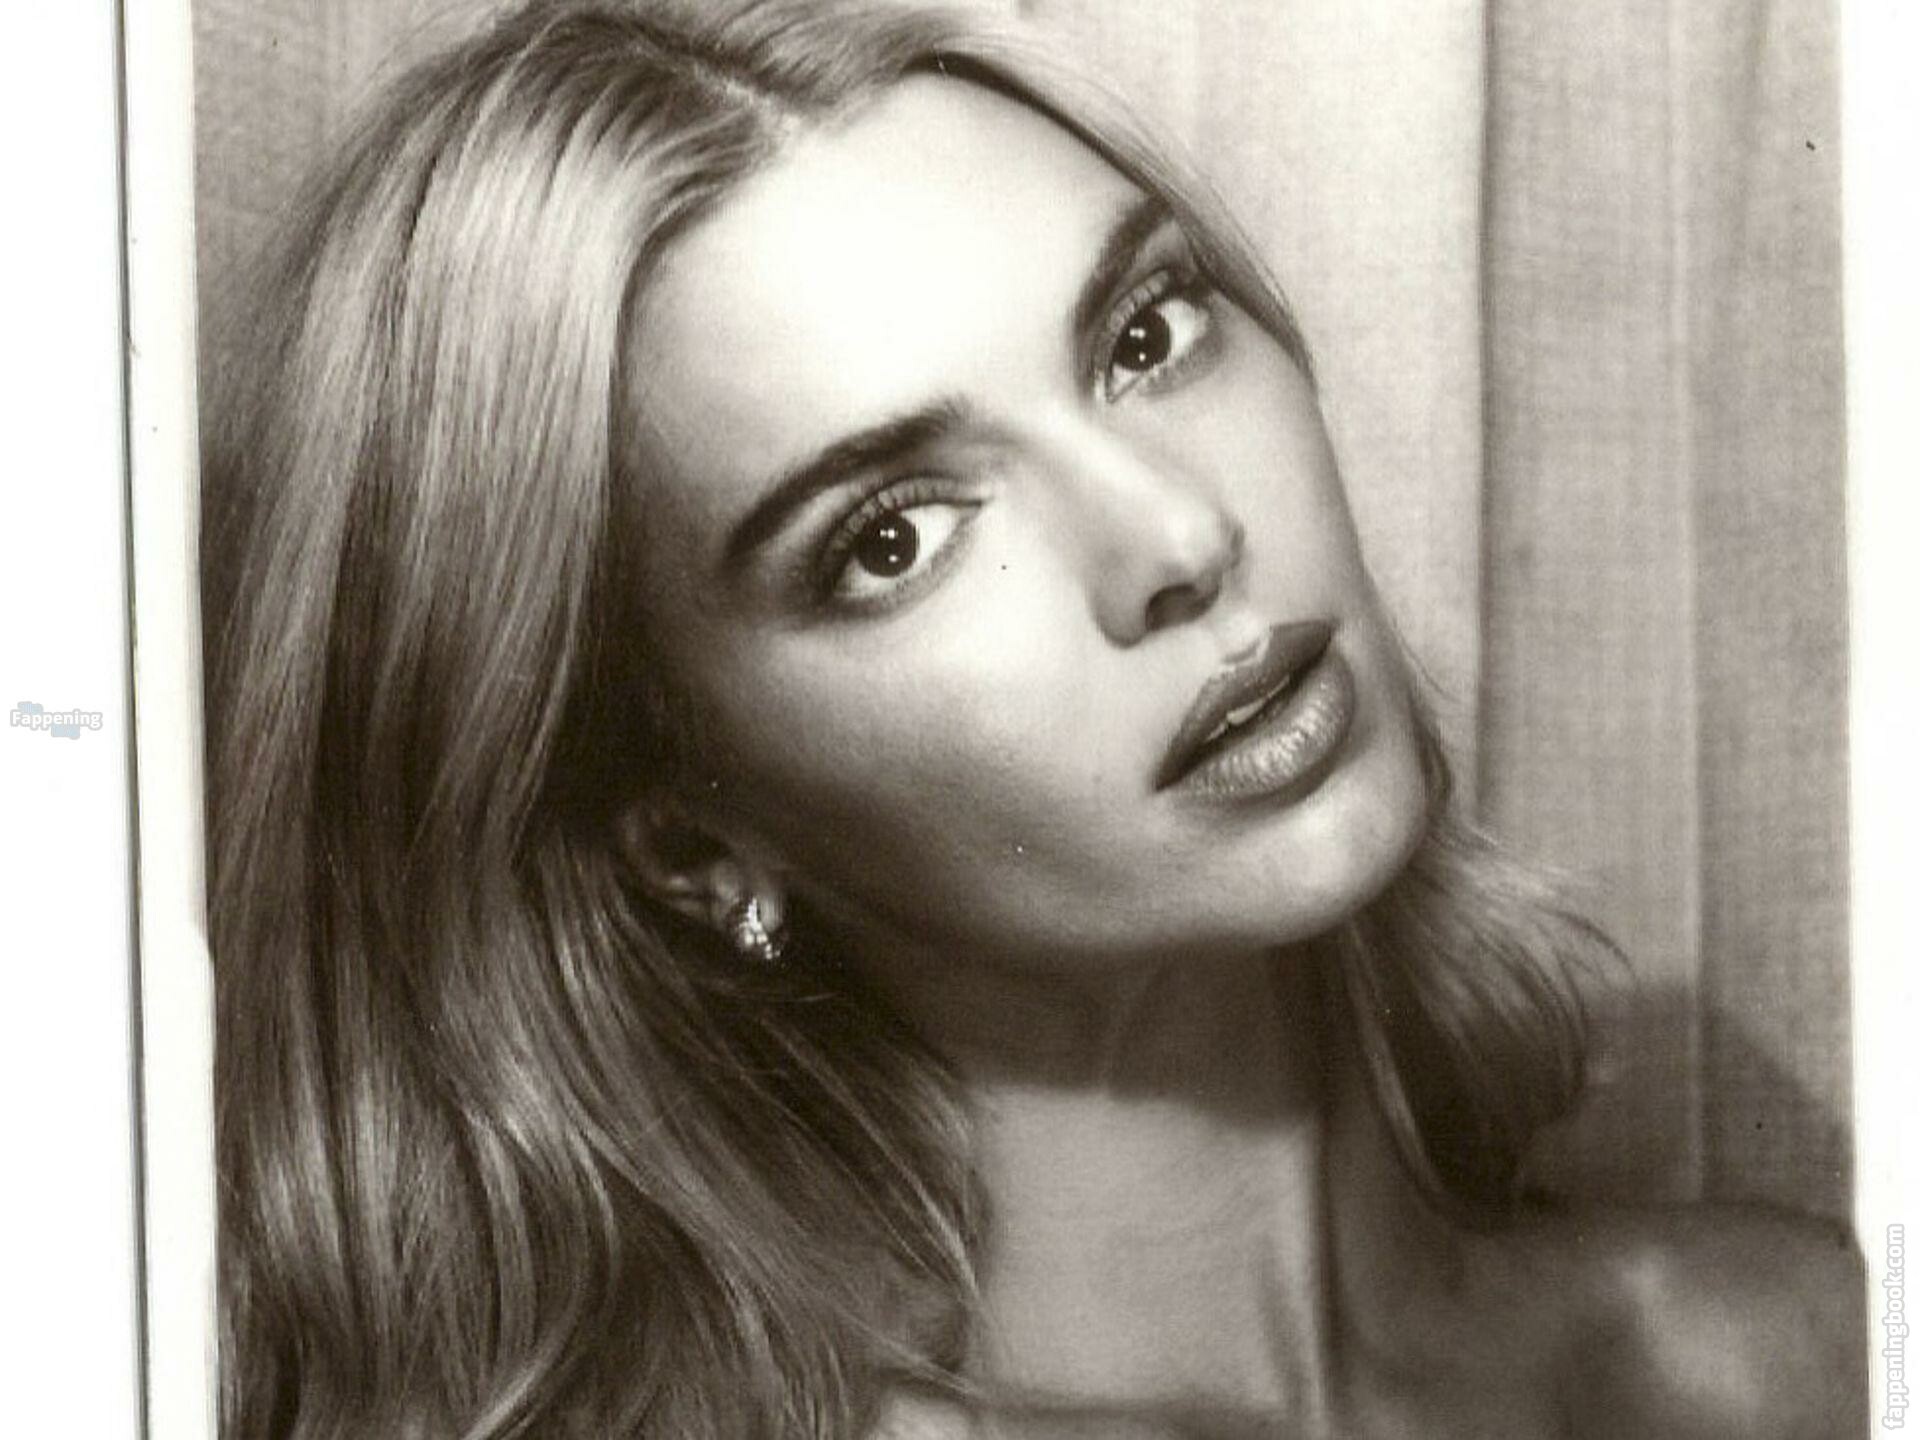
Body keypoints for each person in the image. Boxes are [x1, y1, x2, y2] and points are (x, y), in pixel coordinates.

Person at [201, 2, 1864, 1436]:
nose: (1177, 536)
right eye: (894, 538)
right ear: (686, 848)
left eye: (1147, 336)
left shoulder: (1808, 1353)